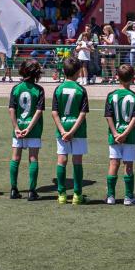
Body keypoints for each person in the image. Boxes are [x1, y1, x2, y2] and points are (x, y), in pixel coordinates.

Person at [51, 56, 90, 204]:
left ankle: (61, 194)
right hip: (78, 130)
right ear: (79, 72)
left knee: (62, 159)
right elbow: (82, 113)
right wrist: (72, 131)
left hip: (62, 128)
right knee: (77, 160)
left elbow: (54, 112)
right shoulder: (81, 89)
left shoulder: (58, 89)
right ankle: (77, 195)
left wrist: (62, 131)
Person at [103, 63, 135, 206]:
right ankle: (128, 197)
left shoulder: (111, 96)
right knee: (128, 165)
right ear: (133, 78)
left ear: (117, 77)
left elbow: (108, 116)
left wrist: (115, 133)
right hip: (130, 136)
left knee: (114, 163)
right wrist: (125, 133)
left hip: (114, 136)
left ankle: (110, 196)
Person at [8, 59, 46, 200]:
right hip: (34, 129)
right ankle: (31, 191)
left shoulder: (16, 88)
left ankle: (13, 189)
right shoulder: (39, 90)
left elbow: (11, 109)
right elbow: (38, 111)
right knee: (33, 158)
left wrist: (17, 128)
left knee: (15, 158)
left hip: (18, 128)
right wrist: (29, 128)